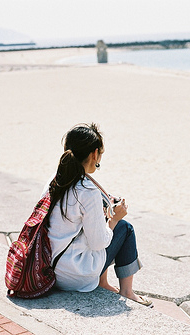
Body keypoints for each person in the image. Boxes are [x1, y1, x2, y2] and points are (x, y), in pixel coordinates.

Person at [42, 123, 152, 307]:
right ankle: (127, 291)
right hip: (75, 276)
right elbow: (98, 243)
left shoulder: (54, 180)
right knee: (125, 228)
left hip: (48, 268)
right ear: (94, 154)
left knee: (100, 225)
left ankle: (103, 283)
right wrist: (114, 218)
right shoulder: (88, 190)